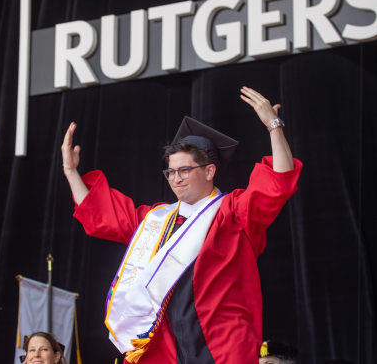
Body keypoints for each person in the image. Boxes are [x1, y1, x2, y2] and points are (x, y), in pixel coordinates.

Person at [62, 87, 303, 364]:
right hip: (166, 347)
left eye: (185, 170)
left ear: (209, 171)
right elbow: (103, 212)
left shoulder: (233, 213)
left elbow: (278, 183)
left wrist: (273, 127)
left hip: (221, 345)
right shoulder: (156, 220)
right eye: (170, 172)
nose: (176, 179)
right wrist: (70, 171)